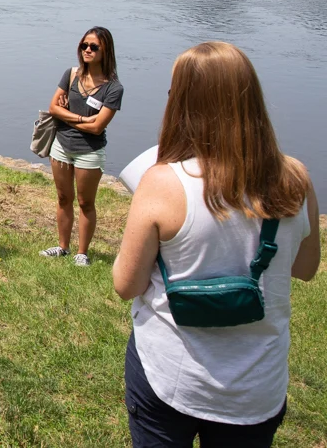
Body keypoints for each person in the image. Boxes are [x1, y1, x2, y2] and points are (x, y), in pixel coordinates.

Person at [112, 42, 319, 447]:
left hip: (171, 376)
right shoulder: (297, 179)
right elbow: (305, 268)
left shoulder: (162, 182)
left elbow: (125, 285)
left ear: (184, 103)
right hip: (258, 387)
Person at [41, 26, 123, 266]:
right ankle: (62, 247)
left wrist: (67, 115)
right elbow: (53, 107)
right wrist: (81, 118)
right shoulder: (71, 74)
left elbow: (98, 127)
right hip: (61, 146)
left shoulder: (114, 88)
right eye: (84, 45)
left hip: (90, 151)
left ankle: (82, 253)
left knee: (86, 203)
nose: (87, 50)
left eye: (93, 47)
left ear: (105, 51)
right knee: (63, 197)